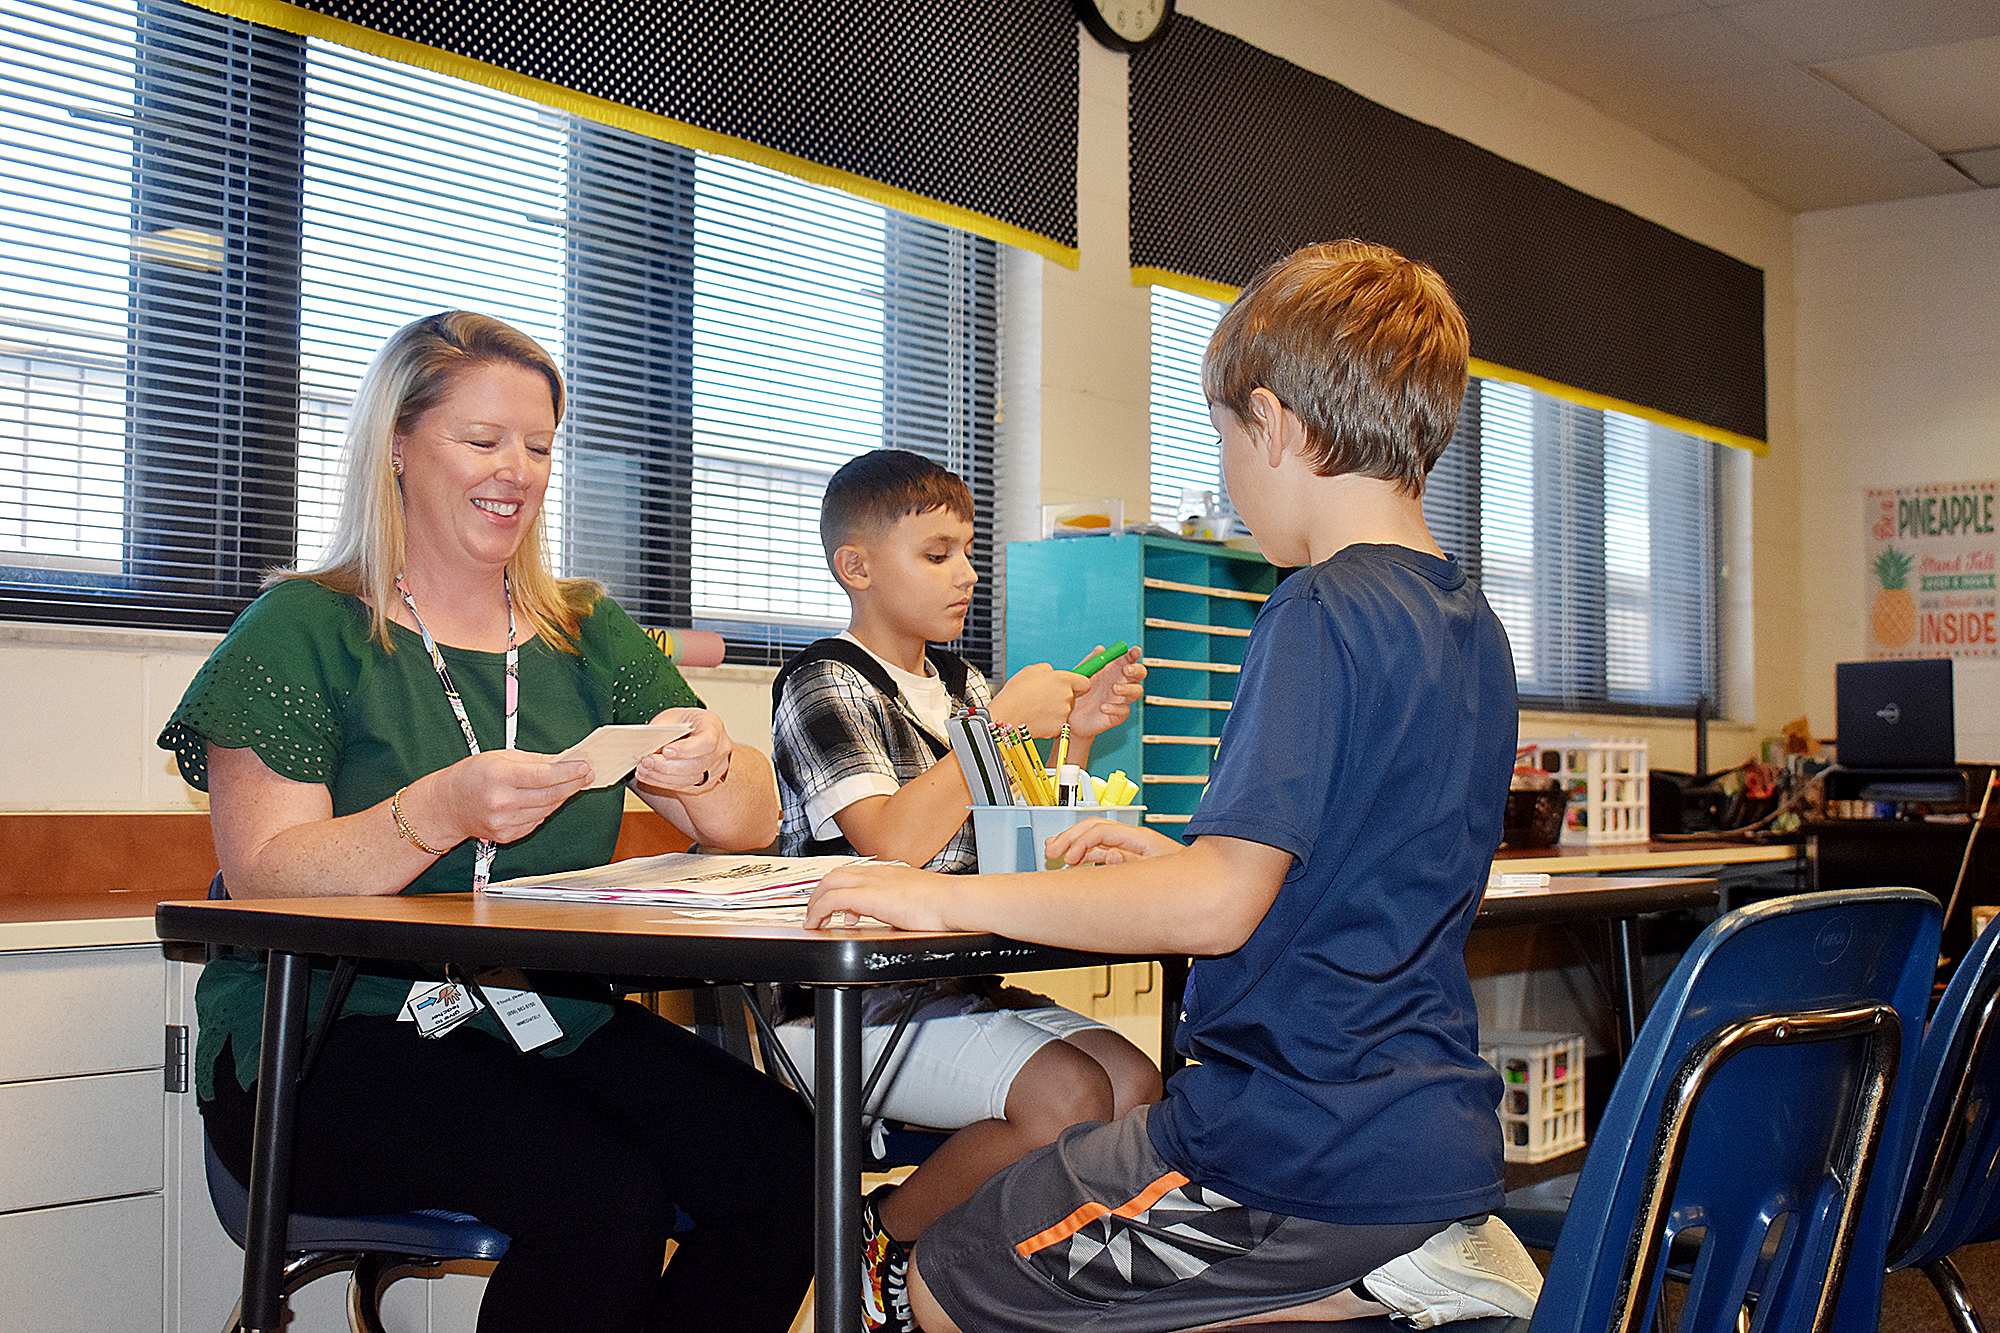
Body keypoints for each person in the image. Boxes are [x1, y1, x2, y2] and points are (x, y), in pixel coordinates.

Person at [805, 241, 1542, 1333]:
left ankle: (1368, 1283)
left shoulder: (1318, 609)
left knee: (942, 1278)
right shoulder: (1471, 624)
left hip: (1292, 1145)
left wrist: (938, 897)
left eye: (1224, 439)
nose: (1229, 473)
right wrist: (1185, 860)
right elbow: (1364, 870)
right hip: (1423, 1122)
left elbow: (1217, 908)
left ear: (1274, 423)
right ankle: (1381, 1273)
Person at [157, 311, 814, 1333]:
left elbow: (748, 822)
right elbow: (267, 873)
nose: (518, 470)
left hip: (535, 1019)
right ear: (397, 447)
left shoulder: (584, 630)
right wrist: (437, 810)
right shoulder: (301, 628)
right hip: (331, 1042)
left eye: (540, 446)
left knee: (788, 1163)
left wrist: (707, 755)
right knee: (601, 1194)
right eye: (483, 440)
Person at [769, 448, 1161, 1331]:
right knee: (1066, 1097)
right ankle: (881, 1235)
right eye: (937, 554)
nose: (968, 574)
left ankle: (999, 1272)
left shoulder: (962, 684)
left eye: (970, 552)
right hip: (843, 1012)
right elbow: (892, 841)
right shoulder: (823, 681)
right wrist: (995, 721)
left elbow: (1022, 837)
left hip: (953, 990)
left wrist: (1077, 738)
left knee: (1135, 1087)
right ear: (857, 566)